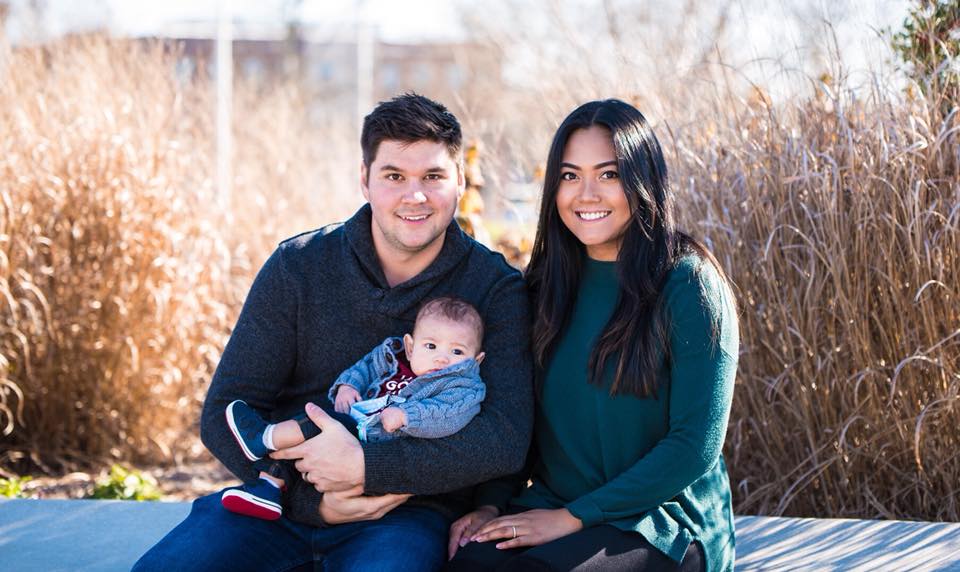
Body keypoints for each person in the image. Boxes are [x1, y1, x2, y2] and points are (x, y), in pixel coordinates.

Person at [133, 93, 534, 572]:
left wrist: (367, 468)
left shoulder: (495, 287)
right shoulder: (298, 266)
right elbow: (227, 410)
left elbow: (505, 437)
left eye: (433, 176)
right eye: (394, 176)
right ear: (364, 179)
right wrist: (315, 503)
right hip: (277, 505)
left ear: (460, 181)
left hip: (404, 513)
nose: (415, 196)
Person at [446, 99, 739, 572]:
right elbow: (522, 424)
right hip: (557, 503)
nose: (586, 194)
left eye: (609, 174)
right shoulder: (544, 286)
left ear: (643, 179)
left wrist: (573, 518)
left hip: (660, 519)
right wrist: (490, 505)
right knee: (468, 564)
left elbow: (694, 447)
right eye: (570, 175)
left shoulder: (689, 284)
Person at [220, 296, 488, 521]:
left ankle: (261, 438)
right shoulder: (391, 356)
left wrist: (407, 416)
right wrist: (347, 386)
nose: (441, 358)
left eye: (457, 352)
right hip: (355, 422)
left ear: (476, 361)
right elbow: (364, 369)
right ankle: (268, 488)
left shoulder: (463, 387)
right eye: (430, 346)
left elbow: (449, 413)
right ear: (410, 346)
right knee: (307, 433)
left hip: (379, 441)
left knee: (316, 424)